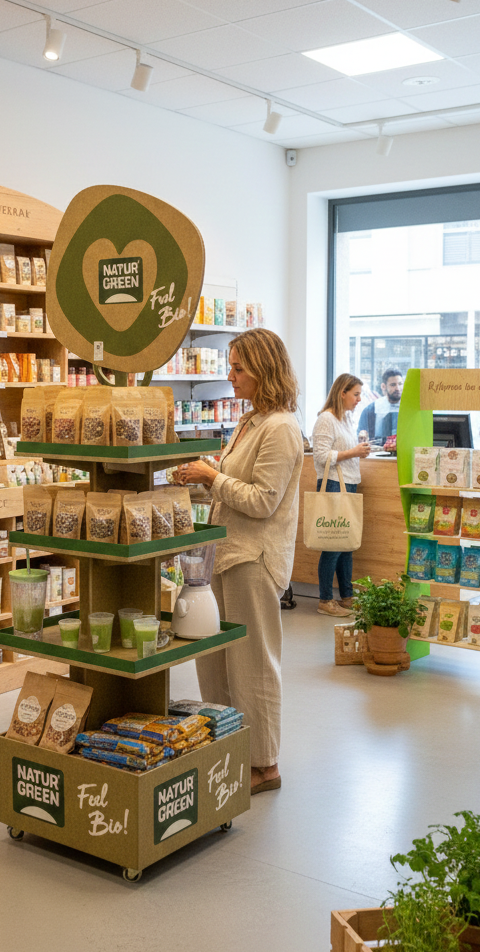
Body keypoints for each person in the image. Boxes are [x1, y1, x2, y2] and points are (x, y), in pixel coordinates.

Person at [177, 329, 303, 796]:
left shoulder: (282, 428)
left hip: (254, 558)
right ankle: (231, 746)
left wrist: (213, 475)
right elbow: (234, 483)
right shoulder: (250, 422)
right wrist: (201, 476)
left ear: (264, 370)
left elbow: (263, 501)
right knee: (217, 660)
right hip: (226, 553)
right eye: (230, 367)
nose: (230, 377)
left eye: (238, 369)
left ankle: (264, 764)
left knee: (253, 663)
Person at [311, 374, 371, 617]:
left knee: (347, 544)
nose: (359, 399)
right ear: (342, 393)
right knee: (333, 544)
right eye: (355, 394)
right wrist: (353, 452)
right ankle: (325, 600)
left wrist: (356, 451)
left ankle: (347, 596)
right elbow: (321, 457)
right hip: (334, 485)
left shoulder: (345, 418)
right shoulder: (326, 419)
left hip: (348, 484)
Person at [358, 368, 403, 441]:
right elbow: (361, 438)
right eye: (393, 385)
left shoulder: (410, 408)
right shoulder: (371, 410)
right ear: (383, 386)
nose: (397, 388)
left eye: (400, 384)